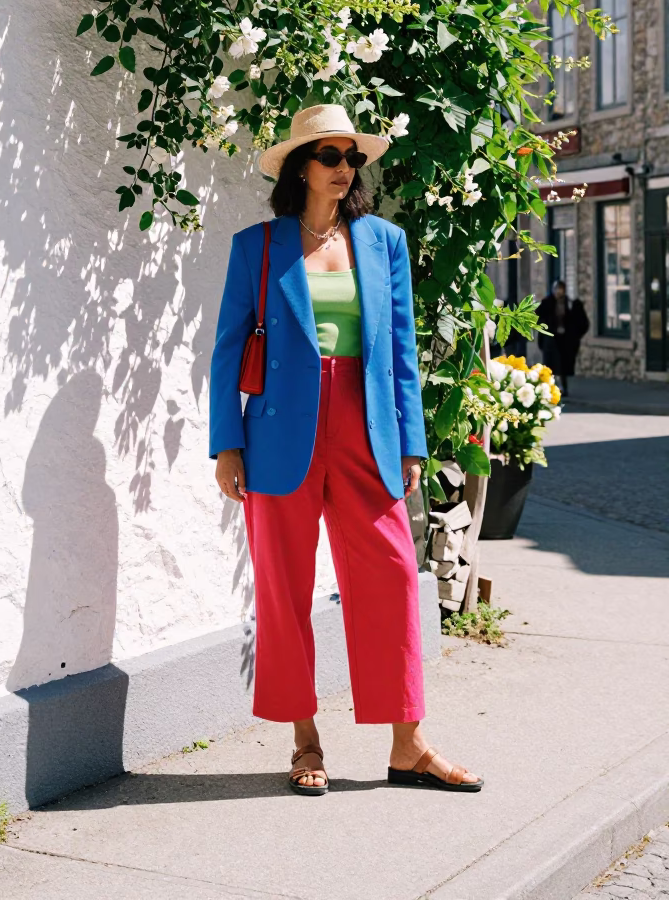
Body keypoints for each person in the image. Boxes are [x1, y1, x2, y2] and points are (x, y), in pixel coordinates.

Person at [209, 103, 483, 796]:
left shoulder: (383, 242)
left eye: (351, 157)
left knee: (391, 577)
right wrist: (227, 444)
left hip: (367, 430)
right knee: (283, 590)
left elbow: (400, 354)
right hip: (278, 437)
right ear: (301, 165)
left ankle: (409, 745)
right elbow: (224, 352)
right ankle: (305, 742)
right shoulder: (258, 247)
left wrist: (412, 440)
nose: (343, 168)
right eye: (329, 155)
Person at [537, 279, 589, 396]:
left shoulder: (571, 304)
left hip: (565, 341)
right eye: (556, 290)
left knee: (563, 366)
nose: (558, 292)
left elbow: (582, 322)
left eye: (561, 290)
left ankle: (563, 388)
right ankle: (549, 389)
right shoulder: (546, 303)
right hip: (551, 340)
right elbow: (538, 319)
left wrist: (574, 335)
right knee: (550, 367)